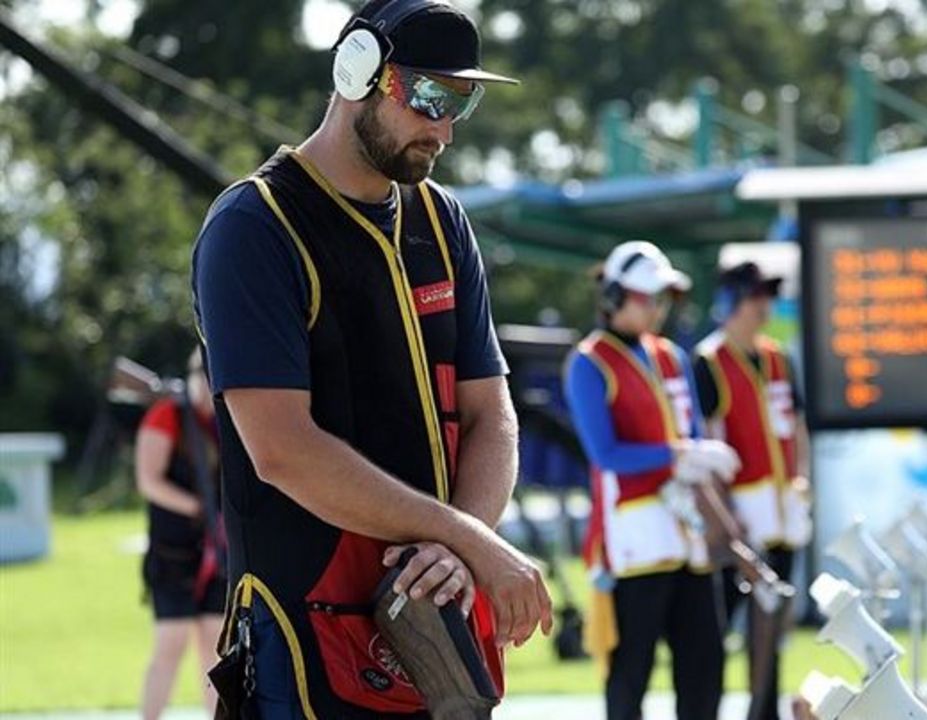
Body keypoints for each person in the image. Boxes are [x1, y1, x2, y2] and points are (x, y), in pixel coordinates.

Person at [191, 1, 552, 716]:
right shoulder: (254, 228)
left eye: (462, 102)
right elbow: (284, 450)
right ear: (358, 72)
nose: (443, 129)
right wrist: (464, 541)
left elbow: (492, 415)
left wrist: (458, 549)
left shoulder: (442, 221)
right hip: (304, 637)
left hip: (431, 626)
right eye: (428, 98)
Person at [564, 241, 740, 720]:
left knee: (706, 665)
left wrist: (726, 522)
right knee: (630, 675)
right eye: (647, 297)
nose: (657, 308)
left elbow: (693, 441)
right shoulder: (589, 362)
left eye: (662, 298)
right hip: (634, 543)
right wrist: (678, 455)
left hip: (690, 540)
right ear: (616, 297)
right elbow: (606, 454)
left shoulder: (670, 357)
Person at [694, 261, 812, 720]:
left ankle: (762, 713)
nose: (764, 305)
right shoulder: (709, 361)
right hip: (738, 520)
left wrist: (803, 483)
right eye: (755, 296)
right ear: (732, 302)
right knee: (720, 634)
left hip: (783, 516)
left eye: (766, 295)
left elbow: (797, 427)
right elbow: (706, 440)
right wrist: (725, 521)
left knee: (775, 631)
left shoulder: (780, 357)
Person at [136, 349, 224, 720]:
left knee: (214, 646)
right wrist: (200, 509)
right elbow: (148, 481)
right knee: (169, 646)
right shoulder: (168, 414)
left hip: (218, 554)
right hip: (174, 552)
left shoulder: (227, 421)